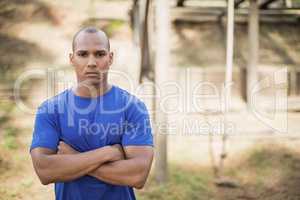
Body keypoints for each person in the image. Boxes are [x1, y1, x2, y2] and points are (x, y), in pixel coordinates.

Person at [30, 26, 154, 200]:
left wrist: (73, 158)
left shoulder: (132, 107)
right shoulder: (50, 110)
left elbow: (137, 175)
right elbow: (45, 171)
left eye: (100, 54)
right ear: (72, 59)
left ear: (110, 58)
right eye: (82, 54)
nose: (91, 62)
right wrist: (107, 153)